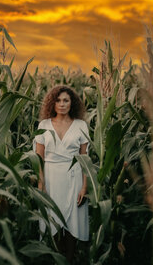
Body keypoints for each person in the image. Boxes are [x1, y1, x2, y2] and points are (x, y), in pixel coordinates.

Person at [34, 85, 90, 263]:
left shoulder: (81, 125)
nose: (62, 104)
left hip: (73, 177)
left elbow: (84, 159)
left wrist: (85, 186)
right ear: (53, 102)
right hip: (51, 178)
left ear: (72, 103)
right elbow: (38, 159)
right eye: (58, 100)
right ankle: (59, 257)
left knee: (73, 220)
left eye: (66, 100)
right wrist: (41, 184)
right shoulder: (43, 125)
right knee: (54, 219)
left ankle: (70, 258)